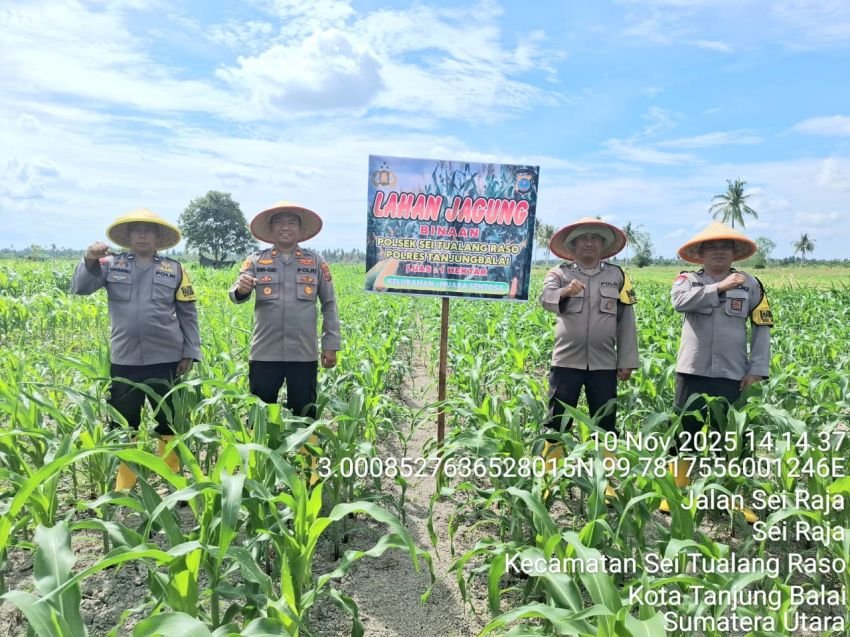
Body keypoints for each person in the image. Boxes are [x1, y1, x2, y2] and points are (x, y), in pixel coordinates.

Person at [71, 208, 201, 492]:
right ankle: (124, 486)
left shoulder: (175, 269)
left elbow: (188, 314)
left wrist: (190, 351)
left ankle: (174, 481)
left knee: (169, 421)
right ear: (128, 236)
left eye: (149, 230)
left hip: (167, 359)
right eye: (136, 230)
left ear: (158, 237)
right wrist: (89, 259)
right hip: (125, 359)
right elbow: (80, 288)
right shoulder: (109, 265)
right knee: (123, 423)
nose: (142, 234)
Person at [663, 221, 773, 522]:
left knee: (731, 436)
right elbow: (679, 302)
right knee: (685, 431)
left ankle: (733, 495)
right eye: (712, 247)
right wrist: (719, 287)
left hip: (733, 372)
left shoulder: (752, 284)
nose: (719, 252)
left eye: (726, 247)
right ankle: (675, 491)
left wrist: (758, 369)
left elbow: (762, 327)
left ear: (735, 253)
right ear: (700, 253)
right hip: (693, 369)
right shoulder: (687, 280)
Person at [539, 217, 638, 485]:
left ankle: (607, 482)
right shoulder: (559, 273)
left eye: (595, 239)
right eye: (583, 239)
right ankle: (550, 478)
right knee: (557, 420)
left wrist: (627, 359)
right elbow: (545, 299)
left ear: (603, 245)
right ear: (572, 246)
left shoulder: (617, 276)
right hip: (566, 361)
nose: (589, 243)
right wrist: (565, 291)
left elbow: (627, 320)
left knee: (605, 422)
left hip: (604, 363)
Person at [229, 201, 340, 420]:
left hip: (303, 353)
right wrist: (241, 289)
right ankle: (259, 455)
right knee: (259, 414)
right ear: (271, 230)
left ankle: (306, 454)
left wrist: (331, 344)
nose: (285, 227)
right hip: (264, 352)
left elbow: (329, 304)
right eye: (279, 222)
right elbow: (235, 293)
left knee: (305, 413)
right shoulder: (256, 261)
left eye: (291, 222)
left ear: (300, 230)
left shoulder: (315, 262)